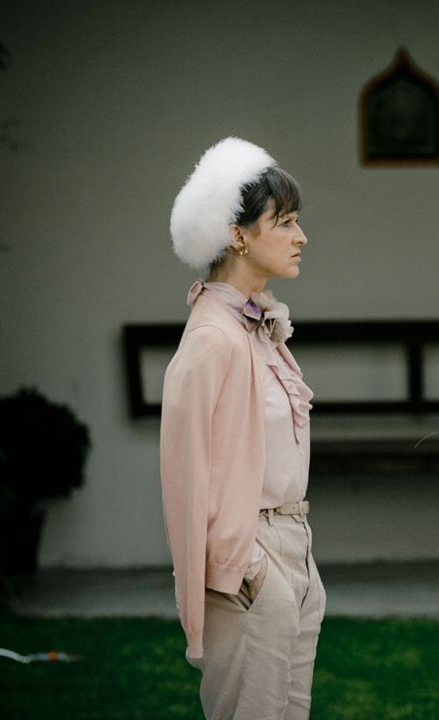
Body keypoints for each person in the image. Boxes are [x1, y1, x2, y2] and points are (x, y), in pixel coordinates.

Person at [161, 137, 325, 719]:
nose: (301, 237)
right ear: (238, 235)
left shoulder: (255, 325)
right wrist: (248, 567)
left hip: (293, 549)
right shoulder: (212, 337)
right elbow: (186, 475)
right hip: (249, 565)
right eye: (284, 222)